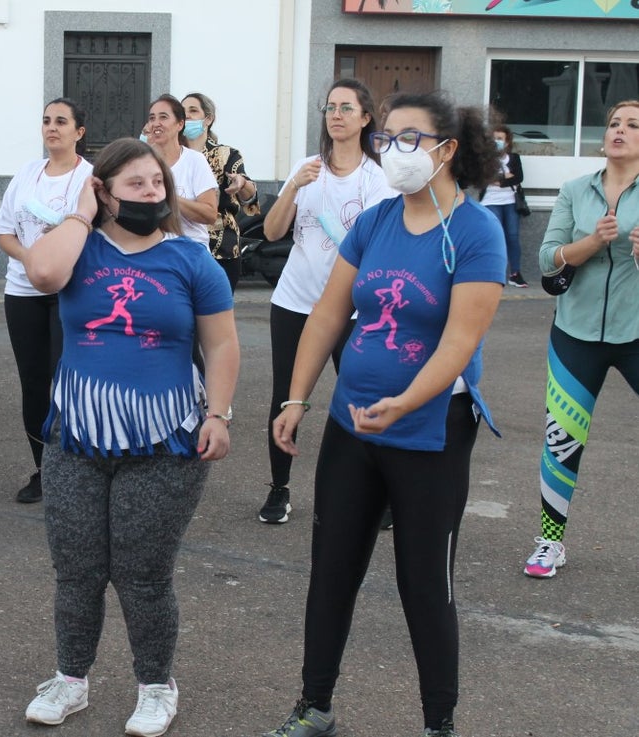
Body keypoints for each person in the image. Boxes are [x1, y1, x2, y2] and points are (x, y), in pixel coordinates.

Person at [264, 90, 506, 737]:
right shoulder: (375, 222)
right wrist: (296, 397)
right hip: (352, 428)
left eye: (409, 138)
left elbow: (459, 342)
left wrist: (404, 401)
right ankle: (314, 706)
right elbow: (328, 313)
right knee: (332, 571)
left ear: (447, 149)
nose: (393, 150)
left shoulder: (477, 233)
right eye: (388, 138)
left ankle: (438, 723)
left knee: (424, 584)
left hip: (431, 431)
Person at [20, 138, 239, 737]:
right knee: (77, 570)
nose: (151, 192)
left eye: (157, 183)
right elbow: (40, 272)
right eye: (134, 183)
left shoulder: (192, 262)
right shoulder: (77, 250)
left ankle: (154, 687)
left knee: (143, 574)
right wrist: (83, 213)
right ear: (104, 192)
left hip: (166, 442)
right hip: (76, 436)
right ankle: (71, 680)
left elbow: (221, 344)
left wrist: (218, 414)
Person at [258, 78, 396, 525]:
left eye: (346, 108)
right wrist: (293, 186)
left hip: (354, 309)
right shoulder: (308, 168)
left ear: (365, 118)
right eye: (330, 107)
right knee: (285, 396)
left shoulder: (378, 179)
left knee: (361, 396)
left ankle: (379, 495)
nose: (336, 115)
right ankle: (279, 489)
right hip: (295, 301)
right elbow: (273, 232)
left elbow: (379, 248)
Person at [523, 99, 639, 579]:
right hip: (575, 334)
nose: (620, 130)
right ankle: (550, 543)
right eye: (614, 123)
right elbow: (547, 259)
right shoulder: (575, 190)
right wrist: (591, 243)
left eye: (633, 125)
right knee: (562, 440)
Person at [0, 97, 93, 503]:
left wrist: (53, 263)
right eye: (46, 121)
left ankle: (75, 467)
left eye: (61, 121)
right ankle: (43, 469)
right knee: (33, 383)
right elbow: (4, 231)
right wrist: (30, 259)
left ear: (78, 132)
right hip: (21, 291)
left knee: (66, 384)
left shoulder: (91, 177)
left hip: (69, 291)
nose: (52, 128)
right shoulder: (27, 173)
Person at [181, 92, 260, 291]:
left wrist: (242, 183)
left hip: (221, 248)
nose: (187, 116)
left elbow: (249, 199)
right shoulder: (174, 154)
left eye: (193, 111)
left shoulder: (226, 154)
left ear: (208, 118)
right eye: (182, 112)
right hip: (180, 244)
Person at [143, 94, 218, 247]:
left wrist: (169, 197)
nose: (156, 123)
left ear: (180, 124)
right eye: (152, 118)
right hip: (151, 249)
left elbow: (210, 214)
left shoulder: (194, 161)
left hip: (190, 249)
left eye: (163, 117)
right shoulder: (139, 163)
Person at [480, 124, 527, 287]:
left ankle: (515, 274)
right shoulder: (485, 159)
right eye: (494, 138)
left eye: (499, 139)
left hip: (511, 201)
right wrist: (505, 177)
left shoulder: (514, 158)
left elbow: (518, 177)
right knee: (495, 236)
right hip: (490, 202)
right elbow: (482, 178)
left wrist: (498, 179)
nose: (496, 141)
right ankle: (494, 273)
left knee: (513, 237)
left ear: (507, 142)